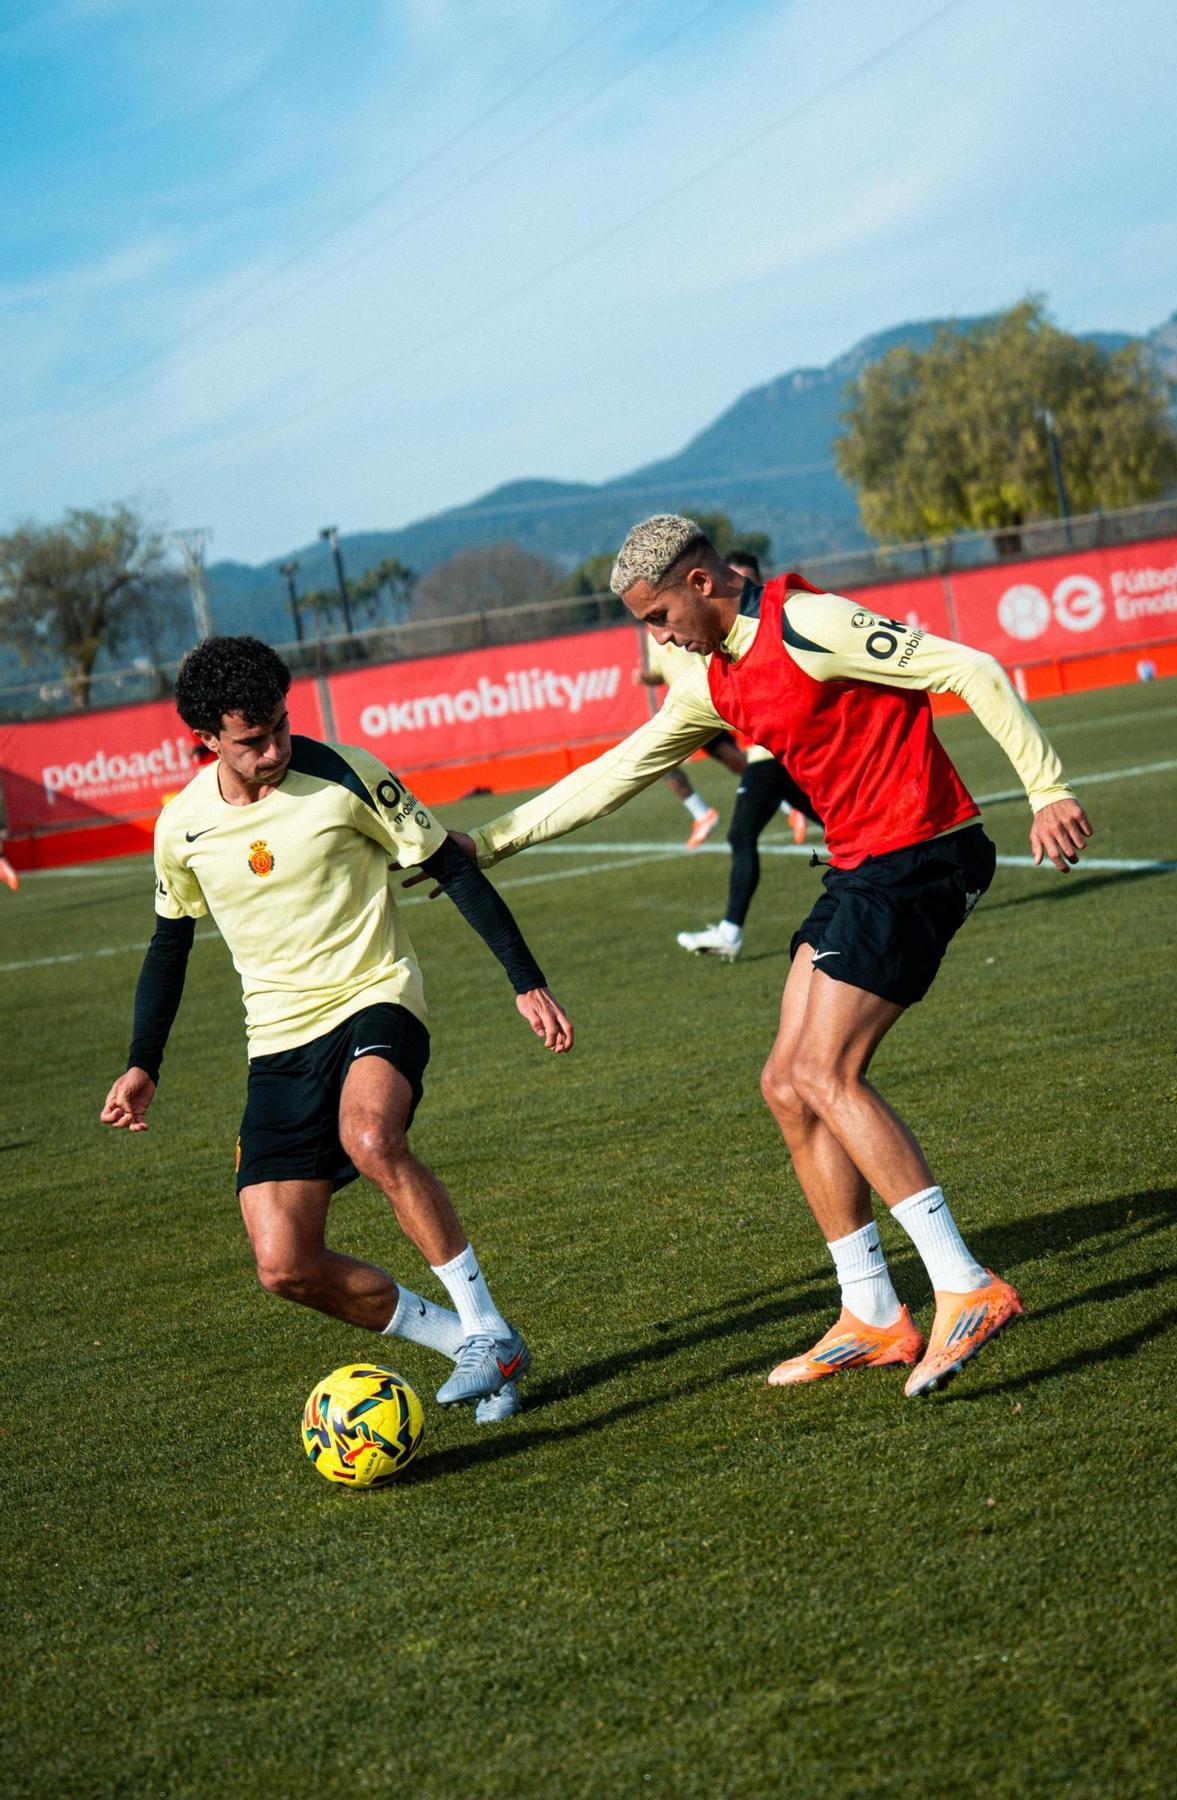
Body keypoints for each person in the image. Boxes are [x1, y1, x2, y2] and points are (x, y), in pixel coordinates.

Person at [429, 515, 1093, 1398]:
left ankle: (966, 1286)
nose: (658, 637)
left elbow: (971, 668)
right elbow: (618, 771)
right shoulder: (713, 681)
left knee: (825, 1071)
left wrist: (1048, 789)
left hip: (925, 854)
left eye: (659, 616)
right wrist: (488, 844)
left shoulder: (807, 623)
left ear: (701, 583)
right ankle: (872, 1312)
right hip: (861, 868)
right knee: (786, 1084)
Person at [101, 636, 574, 1423]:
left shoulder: (347, 774)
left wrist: (525, 980)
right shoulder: (181, 826)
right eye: (252, 741)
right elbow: (169, 943)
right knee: (285, 1264)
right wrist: (143, 1061)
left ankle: (487, 1328)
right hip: (277, 1041)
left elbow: (449, 865)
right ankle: (471, 1344)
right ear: (207, 740)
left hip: (375, 997)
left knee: (372, 1138)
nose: (275, 749)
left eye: (281, 727)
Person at [675, 550, 819, 961]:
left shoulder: (779, 624)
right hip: (775, 754)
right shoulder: (719, 644)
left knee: (741, 836)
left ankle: (730, 932)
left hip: (771, 757)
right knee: (835, 820)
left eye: (743, 581)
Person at [634, 633, 749, 848]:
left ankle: (786, 797)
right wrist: (646, 677)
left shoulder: (677, 619)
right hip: (686, 707)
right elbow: (659, 674)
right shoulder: (652, 636)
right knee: (660, 757)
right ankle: (703, 814)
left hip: (707, 696)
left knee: (737, 760)